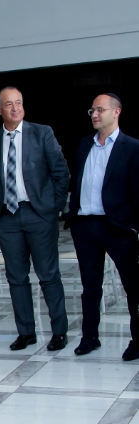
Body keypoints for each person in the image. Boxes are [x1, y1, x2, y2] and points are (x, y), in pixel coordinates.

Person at [0, 87, 70, 352]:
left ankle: (59, 332)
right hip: (6, 218)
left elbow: (61, 172)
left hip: (39, 214)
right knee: (16, 277)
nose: (15, 108)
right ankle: (26, 333)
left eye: (18, 102)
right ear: (0, 110)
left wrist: (53, 208)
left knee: (48, 275)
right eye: (9, 104)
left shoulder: (42, 133)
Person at [66, 94, 139, 360]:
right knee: (90, 286)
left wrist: (133, 226)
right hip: (85, 225)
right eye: (92, 110)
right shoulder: (84, 144)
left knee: (132, 286)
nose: (95, 115)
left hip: (117, 227)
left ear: (116, 112)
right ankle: (90, 337)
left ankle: (137, 340)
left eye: (100, 110)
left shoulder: (132, 147)